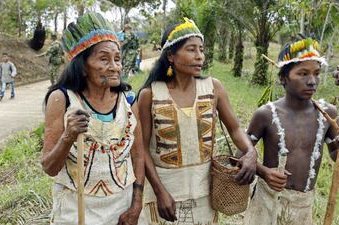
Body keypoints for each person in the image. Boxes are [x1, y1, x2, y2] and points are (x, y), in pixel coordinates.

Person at [137, 18, 257, 225]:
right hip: (166, 195)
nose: (199, 56)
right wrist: (159, 191)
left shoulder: (213, 88)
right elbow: (142, 148)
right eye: (191, 50)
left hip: (205, 192)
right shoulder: (150, 94)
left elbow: (235, 128)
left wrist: (251, 152)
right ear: (170, 56)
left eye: (201, 50)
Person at [41, 12, 146, 225]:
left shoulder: (128, 100)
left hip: (121, 207)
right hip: (75, 210)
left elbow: (138, 156)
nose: (115, 66)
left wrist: (136, 206)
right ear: (83, 66)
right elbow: (49, 167)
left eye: (117, 59)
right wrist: (68, 136)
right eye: (104, 59)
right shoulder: (62, 100)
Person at [243, 37, 339, 225]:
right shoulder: (266, 114)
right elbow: (241, 155)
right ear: (283, 78)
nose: (312, 81)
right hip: (267, 203)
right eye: (303, 74)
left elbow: (336, 155)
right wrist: (263, 172)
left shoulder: (328, 114)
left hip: (303, 207)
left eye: (316, 73)